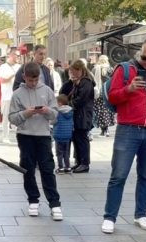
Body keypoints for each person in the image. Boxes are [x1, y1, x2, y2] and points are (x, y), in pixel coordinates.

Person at [102, 37, 146, 234]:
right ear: (139, 52)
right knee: (118, 175)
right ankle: (109, 217)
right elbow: (112, 96)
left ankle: (141, 214)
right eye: (144, 57)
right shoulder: (124, 69)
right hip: (128, 129)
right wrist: (129, 89)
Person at [9, 62, 63, 221]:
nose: (33, 83)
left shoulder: (47, 91)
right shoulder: (17, 94)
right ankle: (33, 200)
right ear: (24, 77)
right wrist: (26, 113)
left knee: (47, 168)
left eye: (35, 80)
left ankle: (54, 203)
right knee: (27, 168)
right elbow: (12, 118)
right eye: (29, 80)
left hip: (43, 135)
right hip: (25, 135)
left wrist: (47, 111)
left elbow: (55, 114)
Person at [59, 60, 95, 173]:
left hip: (83, 115)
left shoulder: (86, 82)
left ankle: (84, 163)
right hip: (78, 115)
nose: (72, 74)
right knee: (77, 139)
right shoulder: (79, 82)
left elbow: (81, 99)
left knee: (82, 139)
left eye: (73, 71)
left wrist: (68, 105)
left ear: (80, 70)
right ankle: (79, 162)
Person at [0, 50, 21, 143]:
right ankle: (5, 137)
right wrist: (14, 75)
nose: (18, 57)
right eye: (17, 55)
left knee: (18, 117)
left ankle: (19, 136)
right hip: (7, 96)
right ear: (11, 55)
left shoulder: (19, 67)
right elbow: (2, 80)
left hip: (17, 96)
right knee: (6, 117)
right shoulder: (3, 67)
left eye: (19, 56)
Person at [92, 55, 115, 137]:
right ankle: (107, 129)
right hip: (107, 92)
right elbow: (113, 80)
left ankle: (103, 130)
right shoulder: (110, 69)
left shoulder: (95, 69)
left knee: (99, 110)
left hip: (98, 92)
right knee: (107, 110)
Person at [53, 94, 74, 173]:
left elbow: (53, 121)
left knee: (59, 153)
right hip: (67, 135)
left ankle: (61, 168)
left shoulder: (58, 112)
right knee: (66, 152)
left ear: (60, 103)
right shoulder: (70, 111)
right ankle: (67, 167)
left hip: (59, 135)